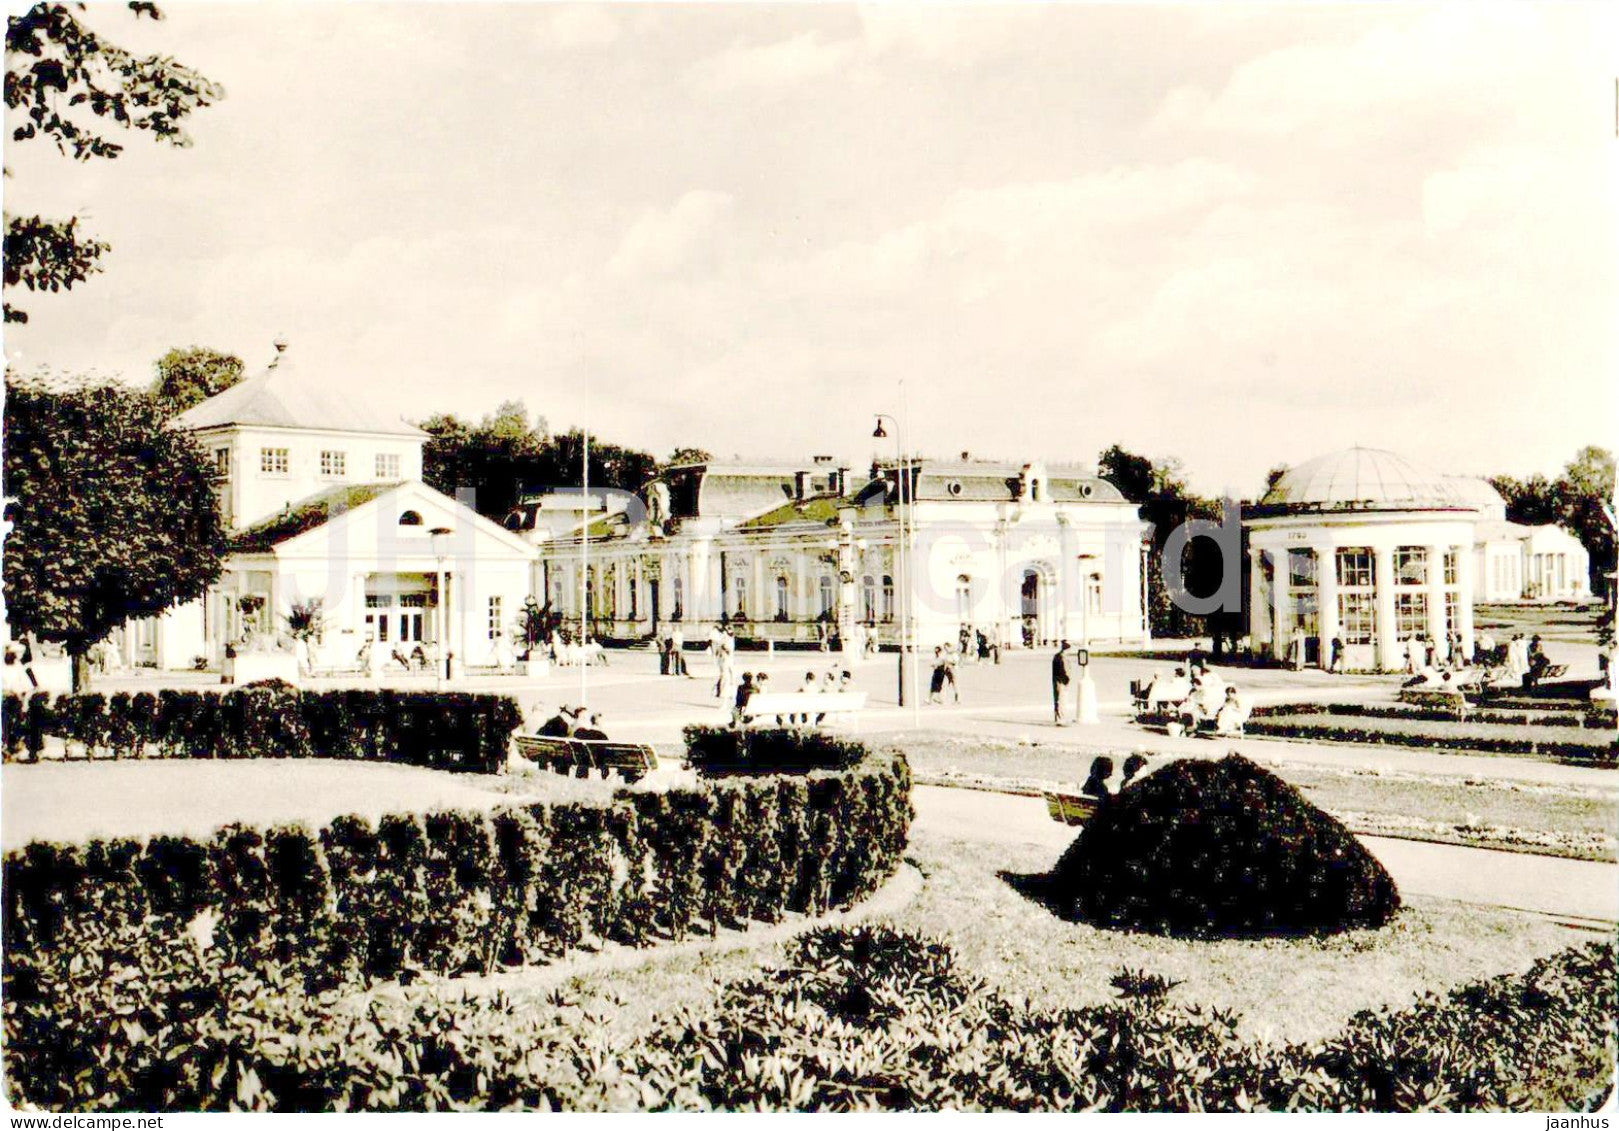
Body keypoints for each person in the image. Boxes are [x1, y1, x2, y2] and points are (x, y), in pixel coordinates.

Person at [1051, 641, 1072, 725]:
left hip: (1057, 681)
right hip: (1061, 682)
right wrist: (1066, 680)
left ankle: (1058, 718)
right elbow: (1062, 671)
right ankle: (1061, 719)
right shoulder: (1061, 658)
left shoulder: (1057, 656)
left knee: (1058, 700)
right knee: (1061, 700)